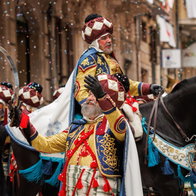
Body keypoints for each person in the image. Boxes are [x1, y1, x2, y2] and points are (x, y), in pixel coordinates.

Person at [11, 74, 143, 196]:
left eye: (95, 96)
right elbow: (44, 145)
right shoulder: (75, 127)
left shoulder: (116, 126)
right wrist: (24, 123)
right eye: (90, 94)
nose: (89, 98)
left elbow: (119, 125)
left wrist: (103, 97)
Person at [75, 13, 163, 107]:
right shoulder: (90, 60)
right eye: (104, 38)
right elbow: (81, 93)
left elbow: (123, 86)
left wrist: (148, 88)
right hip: (101, 113)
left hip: (117, 107)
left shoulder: (110, 59)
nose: (109, 40)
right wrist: (98, 104)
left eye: (109, 37)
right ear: (96, 43)